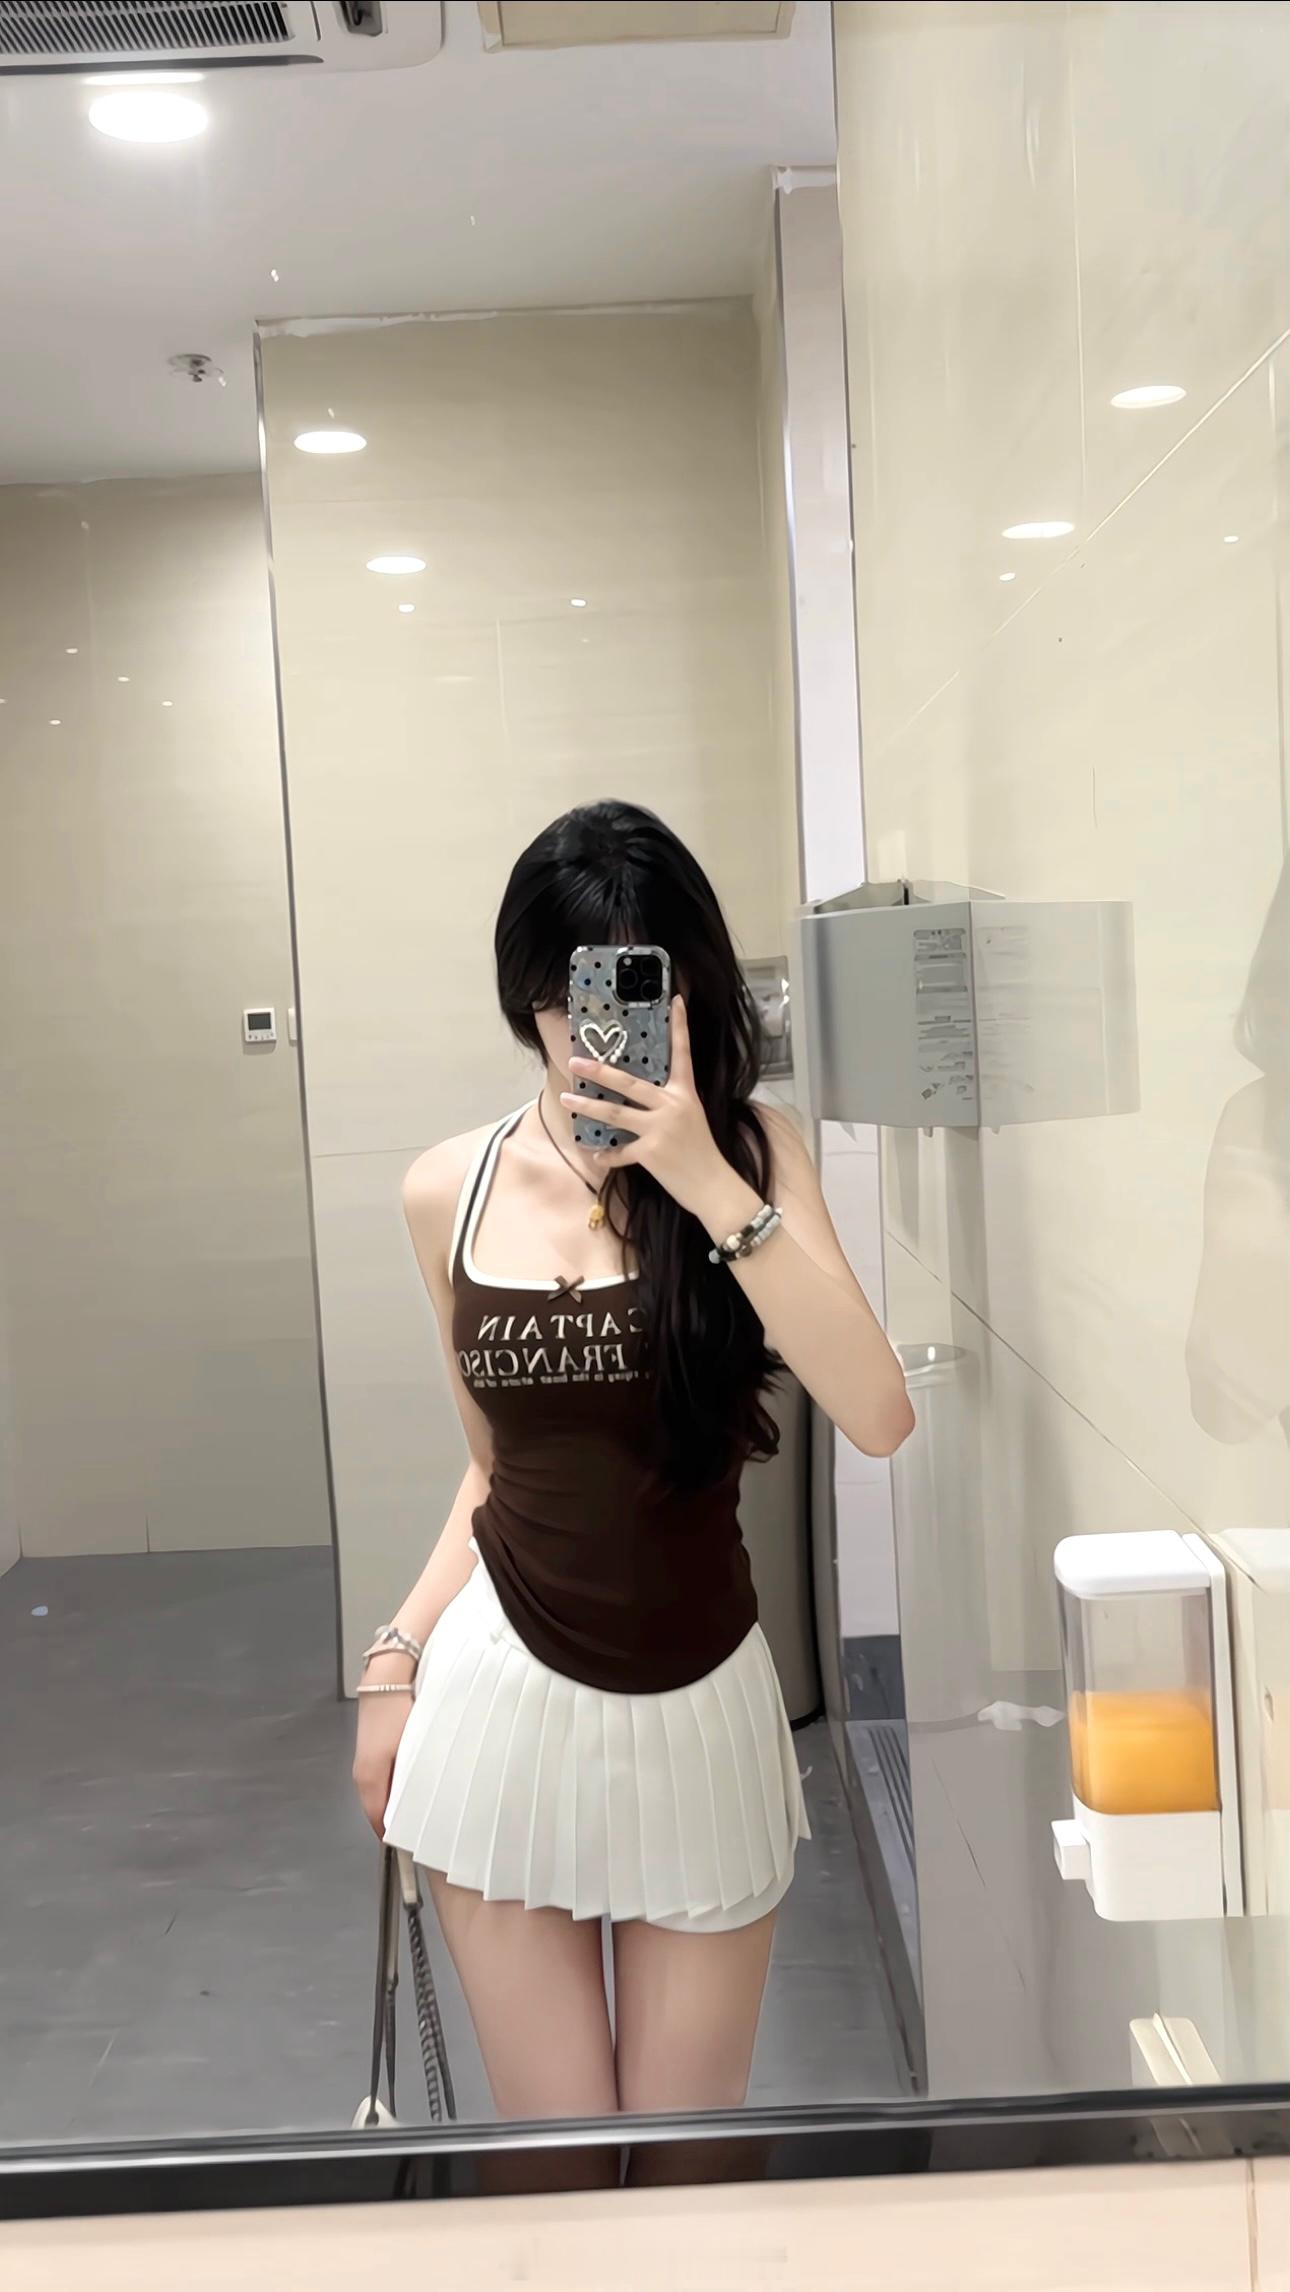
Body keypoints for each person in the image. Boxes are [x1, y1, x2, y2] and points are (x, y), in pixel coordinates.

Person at [353, 799, 913, 2125]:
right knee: (555, 2158)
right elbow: (491, 1474)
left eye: (627, 991)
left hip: (700, 1700)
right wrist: (394, 1658)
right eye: (563, 998)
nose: (589, 1032)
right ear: (526, 999)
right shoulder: (447, 1189)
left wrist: (705, 1179)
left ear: (686, 990)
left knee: (688, 2164)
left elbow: (879, 1413)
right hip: (498, 1702)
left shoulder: (756, 1154)